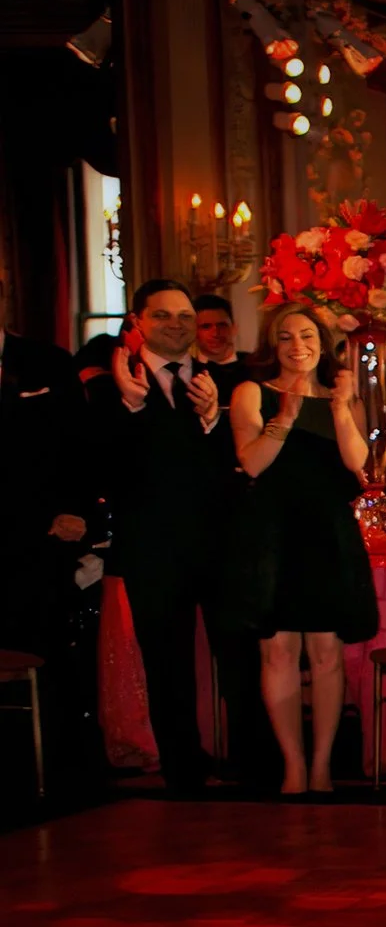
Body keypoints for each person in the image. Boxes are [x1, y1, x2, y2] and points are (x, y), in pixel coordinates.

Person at [223, 301, 377, 797]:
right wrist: (285, 418)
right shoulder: (251, 391)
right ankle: (292, 765)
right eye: (287, 337)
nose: (298, 346)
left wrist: (338, 407)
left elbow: (358, 461)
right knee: (279, 652)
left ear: (323, 342)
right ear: (273, 343)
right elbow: (251, 465)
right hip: (273, 533)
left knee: (328, 653)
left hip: (327, 531)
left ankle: (322, 766)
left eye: (308, 336)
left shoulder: (339, 394)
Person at [90, 279, 236, 793]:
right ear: (138, 322)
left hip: (220, 545)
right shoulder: (107, 387)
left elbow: (239, 469)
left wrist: (216, 418)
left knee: (238, 658)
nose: (176, 323)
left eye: (184, 315)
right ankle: (184, 770)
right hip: (152, 547)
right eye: (162, 315)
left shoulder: (221, 379)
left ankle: (247, 763)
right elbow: (103, 469)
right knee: (168, 665)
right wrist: (131, 410)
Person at [0, 295, 102, 789]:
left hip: (42, 535)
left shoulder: (46, 362)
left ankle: (57, 772)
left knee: (49, 651)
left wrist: (78, 512)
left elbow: (80, 445)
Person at [191, 294, 247, 391]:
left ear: (234, 328)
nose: (215, 333)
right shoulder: (185, 372)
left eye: (222, 325)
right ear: (193, 332)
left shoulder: (258, 366)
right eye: (206, 326)